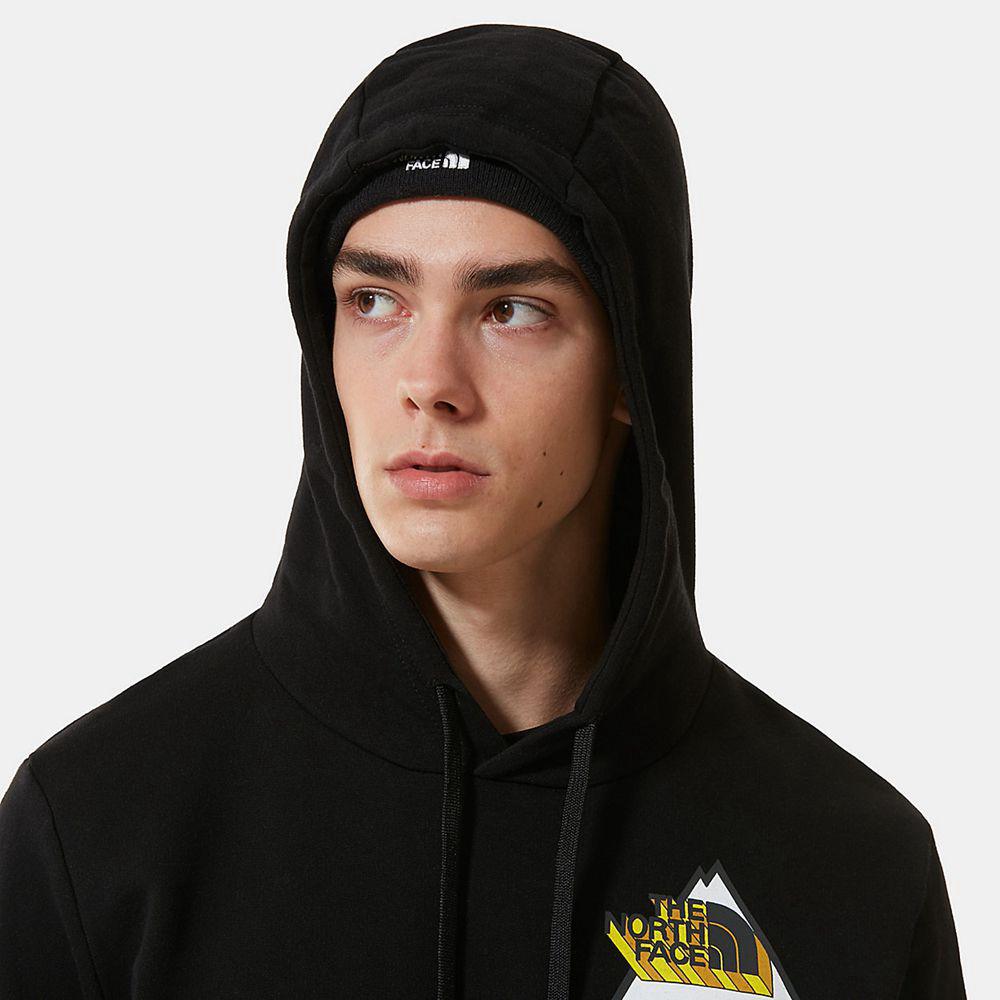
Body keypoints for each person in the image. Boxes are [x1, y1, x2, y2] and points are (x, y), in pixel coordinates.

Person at [0, 22, 966, 1000]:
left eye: (511, 309)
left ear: (631, 365)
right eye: (375, 299)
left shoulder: (849, 865)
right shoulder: (97, 826)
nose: (429, 382)